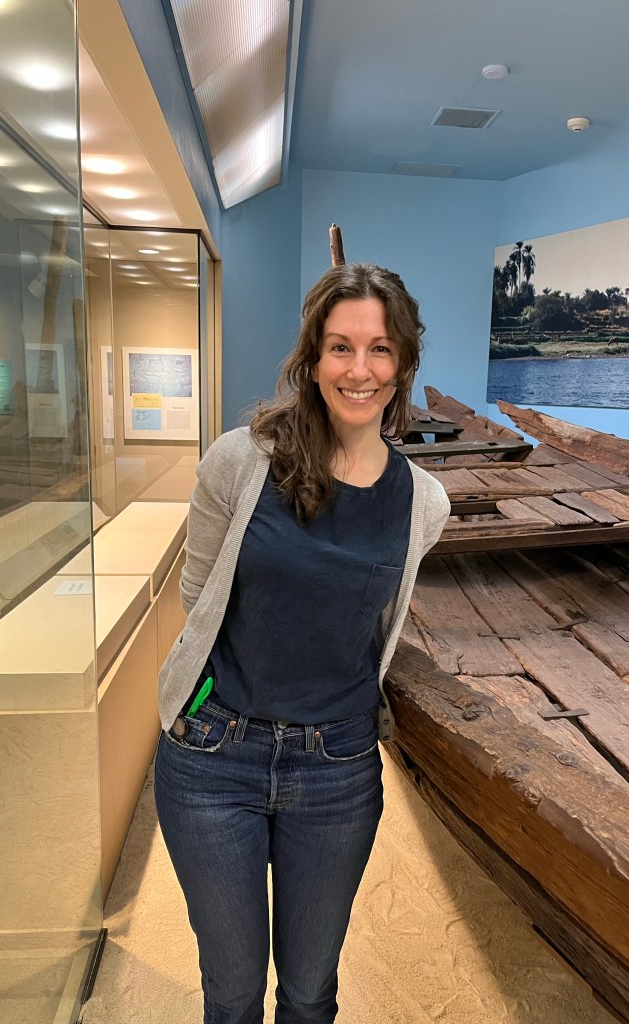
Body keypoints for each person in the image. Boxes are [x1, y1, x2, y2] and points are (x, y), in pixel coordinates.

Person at [154, 262, 451, 1024]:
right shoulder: (238, 461)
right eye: (341, 347)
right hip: (214, 761)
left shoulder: (425, 503)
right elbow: (197, 597)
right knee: (232, 992)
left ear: (403, 363)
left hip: (338, 771)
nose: (360, 369)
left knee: (312, 992)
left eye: (380, 349)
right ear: (312, 359)